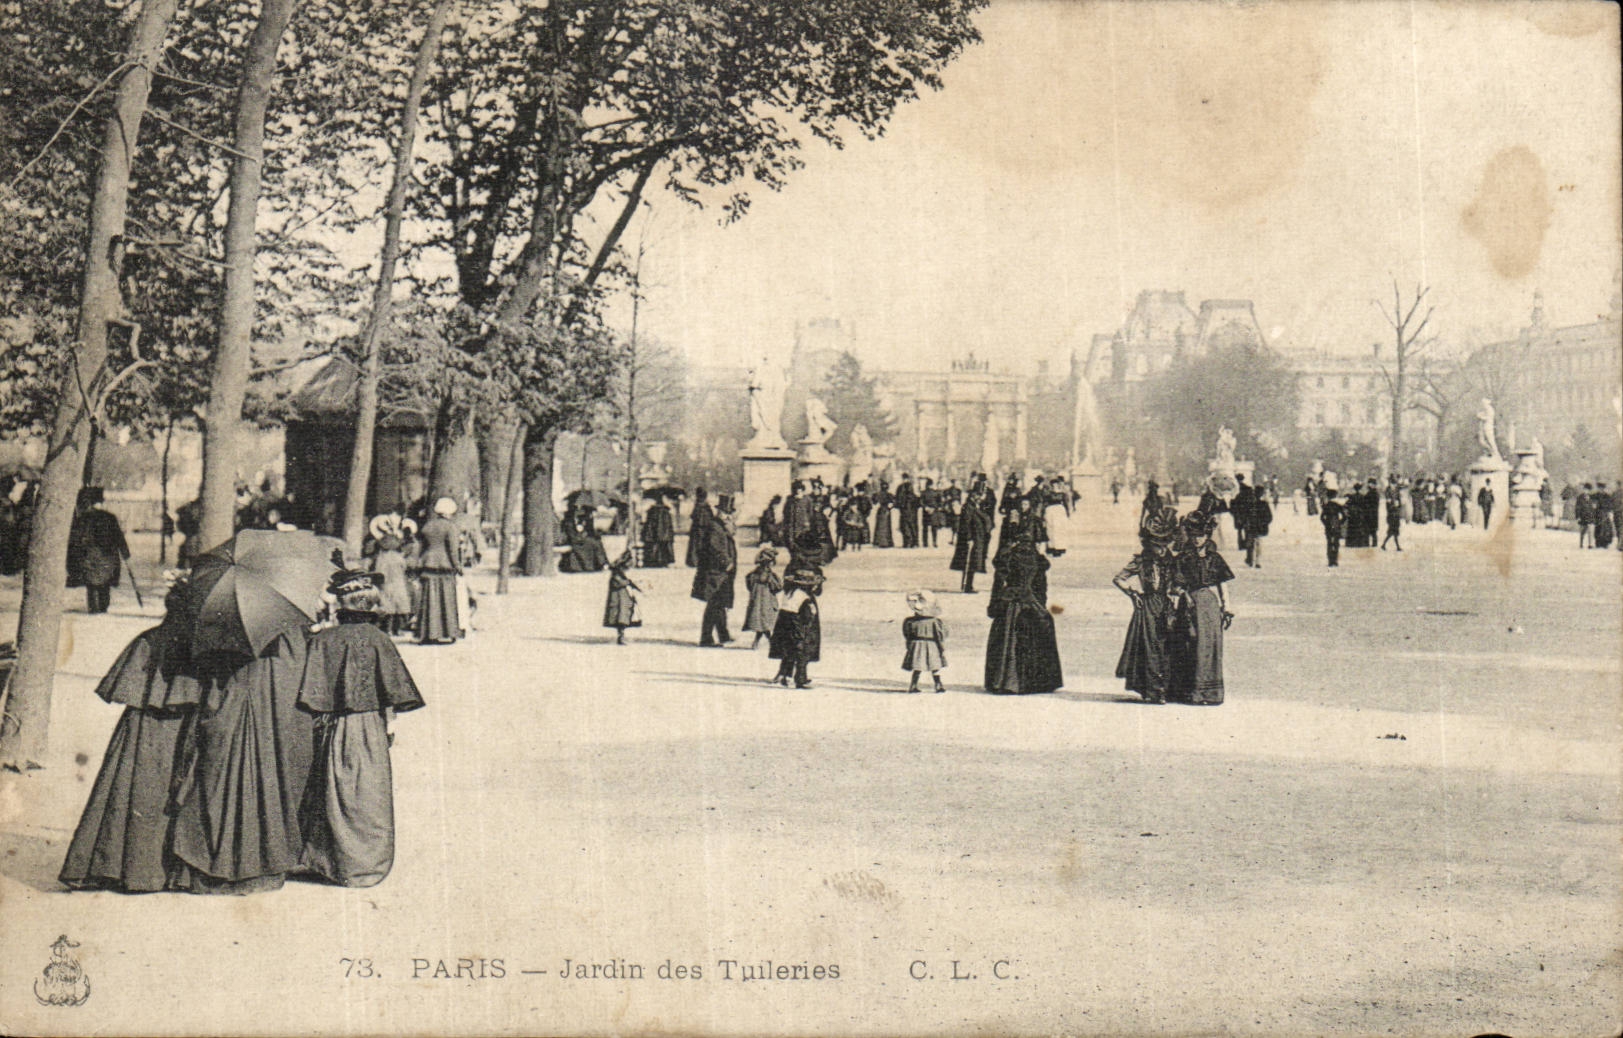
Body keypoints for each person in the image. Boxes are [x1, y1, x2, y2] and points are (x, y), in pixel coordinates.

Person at [60, 578, 204, 892]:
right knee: (168, 795)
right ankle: (158, 871)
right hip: (180, 732)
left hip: (139, 728)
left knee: (124, 791)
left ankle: (113, 866)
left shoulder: (148, 640)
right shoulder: (197, 648)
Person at [297, 570, 425, 887]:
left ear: (341, 604)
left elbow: (310, 694)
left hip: (332, 724)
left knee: (331, 789)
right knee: (369, 792)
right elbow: (393, 695)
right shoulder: (380, 640)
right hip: (370, 725)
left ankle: (331, 860)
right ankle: (368, 862)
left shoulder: (324, 639)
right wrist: (388, 726)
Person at [168, 628, 316, 894]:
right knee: (263, 787)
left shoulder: (228, 629)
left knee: (218, 786)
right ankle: (260, 864)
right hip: (270, 726)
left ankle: (215, 866)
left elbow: (213, 684)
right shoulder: (293, 635)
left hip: (234, 711)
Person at [1166, 512, 1234, 705]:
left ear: (1207, 536)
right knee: (1188, 644)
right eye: (1194, 535)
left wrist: (1227, 608)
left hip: (1210, 606)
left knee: (1210, 646)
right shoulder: (1182, 558)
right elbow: (1175, 585)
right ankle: (1189, 692)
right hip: (1188, 606)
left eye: (1201, 536)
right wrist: (1183, 595)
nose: (1197, 539)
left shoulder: (1215, 558)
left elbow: (1223, 584)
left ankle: (1210, 693)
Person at [1112, 507, 1179, 704]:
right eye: (1157, 545)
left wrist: (1176, 594)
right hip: (1148, 606)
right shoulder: (1142, 561)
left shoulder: (1173, 562)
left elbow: (1180, 583)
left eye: (1164, 544)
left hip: (1167, 606)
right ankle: (1152, 689)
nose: (1161, 549)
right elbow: (1119, 578)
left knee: (1166, 646)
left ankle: (1165, 688)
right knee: (1150, 647)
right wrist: (1132, 594)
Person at [983, 538, 1063, 695]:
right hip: (1029, 602)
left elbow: (998, 586)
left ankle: (1004, 680)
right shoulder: (1037, 561)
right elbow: (1041, 589)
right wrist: (1040, 607)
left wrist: (994, 606)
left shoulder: (1007, 559)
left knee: (1007, 639)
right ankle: (1035, 682)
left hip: (1010, 603)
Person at [67, 487, 130, 614]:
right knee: (105, 582)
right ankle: (103, 606)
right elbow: (118, 536)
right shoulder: (110, 517)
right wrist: (125, 552)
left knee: (92, 582)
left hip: (91, 554)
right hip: (108, 555)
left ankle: (94, 607)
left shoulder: (84, 518)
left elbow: (78, 538)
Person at [769, 548, 823, 688]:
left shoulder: (793, 592)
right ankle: (799, 678)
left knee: (789, 650)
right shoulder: (804, 597)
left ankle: (785, 674)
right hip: (799, 626)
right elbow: (804, 617)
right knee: (802, 651)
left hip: (787, 623)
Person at [414, 497, 462, 645]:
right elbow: (453, 550)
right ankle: (448, 631)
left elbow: (421, 546)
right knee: (446, 599)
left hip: (428, 564)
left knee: (429, 599)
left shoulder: (428, 526)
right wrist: (458, 566)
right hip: (444, 565)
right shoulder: (450, 527)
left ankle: (427, 632)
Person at [692, 494, 738, 647]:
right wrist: (726, 563)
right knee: (714, 604)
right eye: (724, 512)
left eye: (729, 513)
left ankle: (723, 635)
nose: (727, 516)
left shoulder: (722, 526)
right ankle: (706, 638)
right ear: (718, 511)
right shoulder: (715, 527)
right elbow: (715, 548)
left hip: (720, 573)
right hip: (714, 572)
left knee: (719, 603)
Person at [365, 514, 415, 635]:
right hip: (396, 567)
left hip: (385, 566)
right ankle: (396, 628)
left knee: (386, 598)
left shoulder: (379, 542)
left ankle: (387, 628)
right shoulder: (397, 540)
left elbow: (370, 553)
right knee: (398, 598)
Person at [901, 590, 948, 693]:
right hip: (932, 645)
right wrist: (941, 647)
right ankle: (938, 685)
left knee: (917, 666)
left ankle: (913, 685)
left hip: (916, 645)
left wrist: (910, 645)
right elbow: (940, 635)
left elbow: (907, 634)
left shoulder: (910, 621)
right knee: (935, 667)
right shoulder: (935, 622)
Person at [950, 480, 993, 593]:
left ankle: (969, 584)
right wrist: (969, 538)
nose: (980, 497)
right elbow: (966, 524)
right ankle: (966, 585)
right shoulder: (968, 507)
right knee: (969, 563)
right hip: (971, 539)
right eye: (978, 495)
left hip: (978, 538)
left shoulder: (976, 506)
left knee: (973, 563)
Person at [743, 545, 782, 649]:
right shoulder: (767, 576)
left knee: (762, 624)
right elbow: (778, 587)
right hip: (765, 603)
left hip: (759, 602)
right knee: (764, 624)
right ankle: (771, 643)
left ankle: (759, 643)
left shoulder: (753, 575)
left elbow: (749, 585)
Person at [602, 551, 642, 645]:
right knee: (621, 620)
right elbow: (619, 583)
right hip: (619, 604)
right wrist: (629, 582)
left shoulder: (620, 574)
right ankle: (621, 637)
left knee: (624, 619)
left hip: (624, 603)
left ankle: (621, 636)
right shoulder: (617, 575)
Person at [642, 494, 676, 567]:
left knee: (654, 544)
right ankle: (664, 561)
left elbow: (648, 525)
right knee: (663, 544)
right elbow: (669, 525)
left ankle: (653, 561)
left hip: (653, 535)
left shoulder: (652, 511)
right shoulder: (666, 511)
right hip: (664, 535)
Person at [1246, 484, 1273, 568]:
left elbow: (1246, 515)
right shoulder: (1264, 504)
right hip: (1260, 527)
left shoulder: (1250, 503)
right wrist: (1264, 523)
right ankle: (1257, 561)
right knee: (1258, 543)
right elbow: (1269, 517)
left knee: (1251, 543)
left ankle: (1251, 560)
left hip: (1251, 525)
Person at [684, 487, 711, 568]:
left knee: (695, 545)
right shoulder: (706, 506)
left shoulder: (698, 505)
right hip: (705, 528)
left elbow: (693, 516)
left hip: (697, 528)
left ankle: (694, 561)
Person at [1321, 488, 1346, 568]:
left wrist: (1326, 523)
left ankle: (1330, 560)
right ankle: (1335, 560)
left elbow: (1322, 517)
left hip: (1328, 525)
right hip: (1336, 525)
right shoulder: (1338, 505)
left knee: (1329, 543)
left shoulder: (1326, 506)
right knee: (1336, 543)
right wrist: (1340, 523)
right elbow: (1344, 516)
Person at [896, 475, 920, 548]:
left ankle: (909, 542)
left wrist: (900, 505)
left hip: (907, 509)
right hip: (909, 510)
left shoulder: (902, 487)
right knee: (910, 526)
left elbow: (899, 498)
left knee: (907, 526)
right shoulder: (906, 487)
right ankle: (912, 542)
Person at [1380, 480, 1404, 551]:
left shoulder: (1397, 492)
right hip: (1391, 514)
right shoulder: (1388, 492)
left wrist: (1398, 504)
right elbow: (1388, 505)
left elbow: (1399, 502)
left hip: (1396, 514)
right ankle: (1396, 546)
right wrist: (1393, 505)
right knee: (1393, 531)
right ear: (1390, 484)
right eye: (1392, 484)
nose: (1393, 486)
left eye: (1394, 484)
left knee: (1393, 531)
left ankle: (1384, 545)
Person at [871, 481, 895, 548]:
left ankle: (879, 541)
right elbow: (893, 502)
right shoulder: (889, 495)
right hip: (886, 511)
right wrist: (890, 506)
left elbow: (874, 501)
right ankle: (886, 542)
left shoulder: (878, 494)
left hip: (882, 510)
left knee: (880, 526)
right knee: (886, 526)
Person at [919, 478, 941, 548]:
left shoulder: (923, 493)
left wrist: (926, 507)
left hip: (927, 511)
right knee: (933, 528)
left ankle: (926, 543)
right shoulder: (936, 492)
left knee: (926, 528)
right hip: (933, 511)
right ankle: (933, 542)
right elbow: (939, 502)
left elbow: (921, 502)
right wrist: (934, 508)